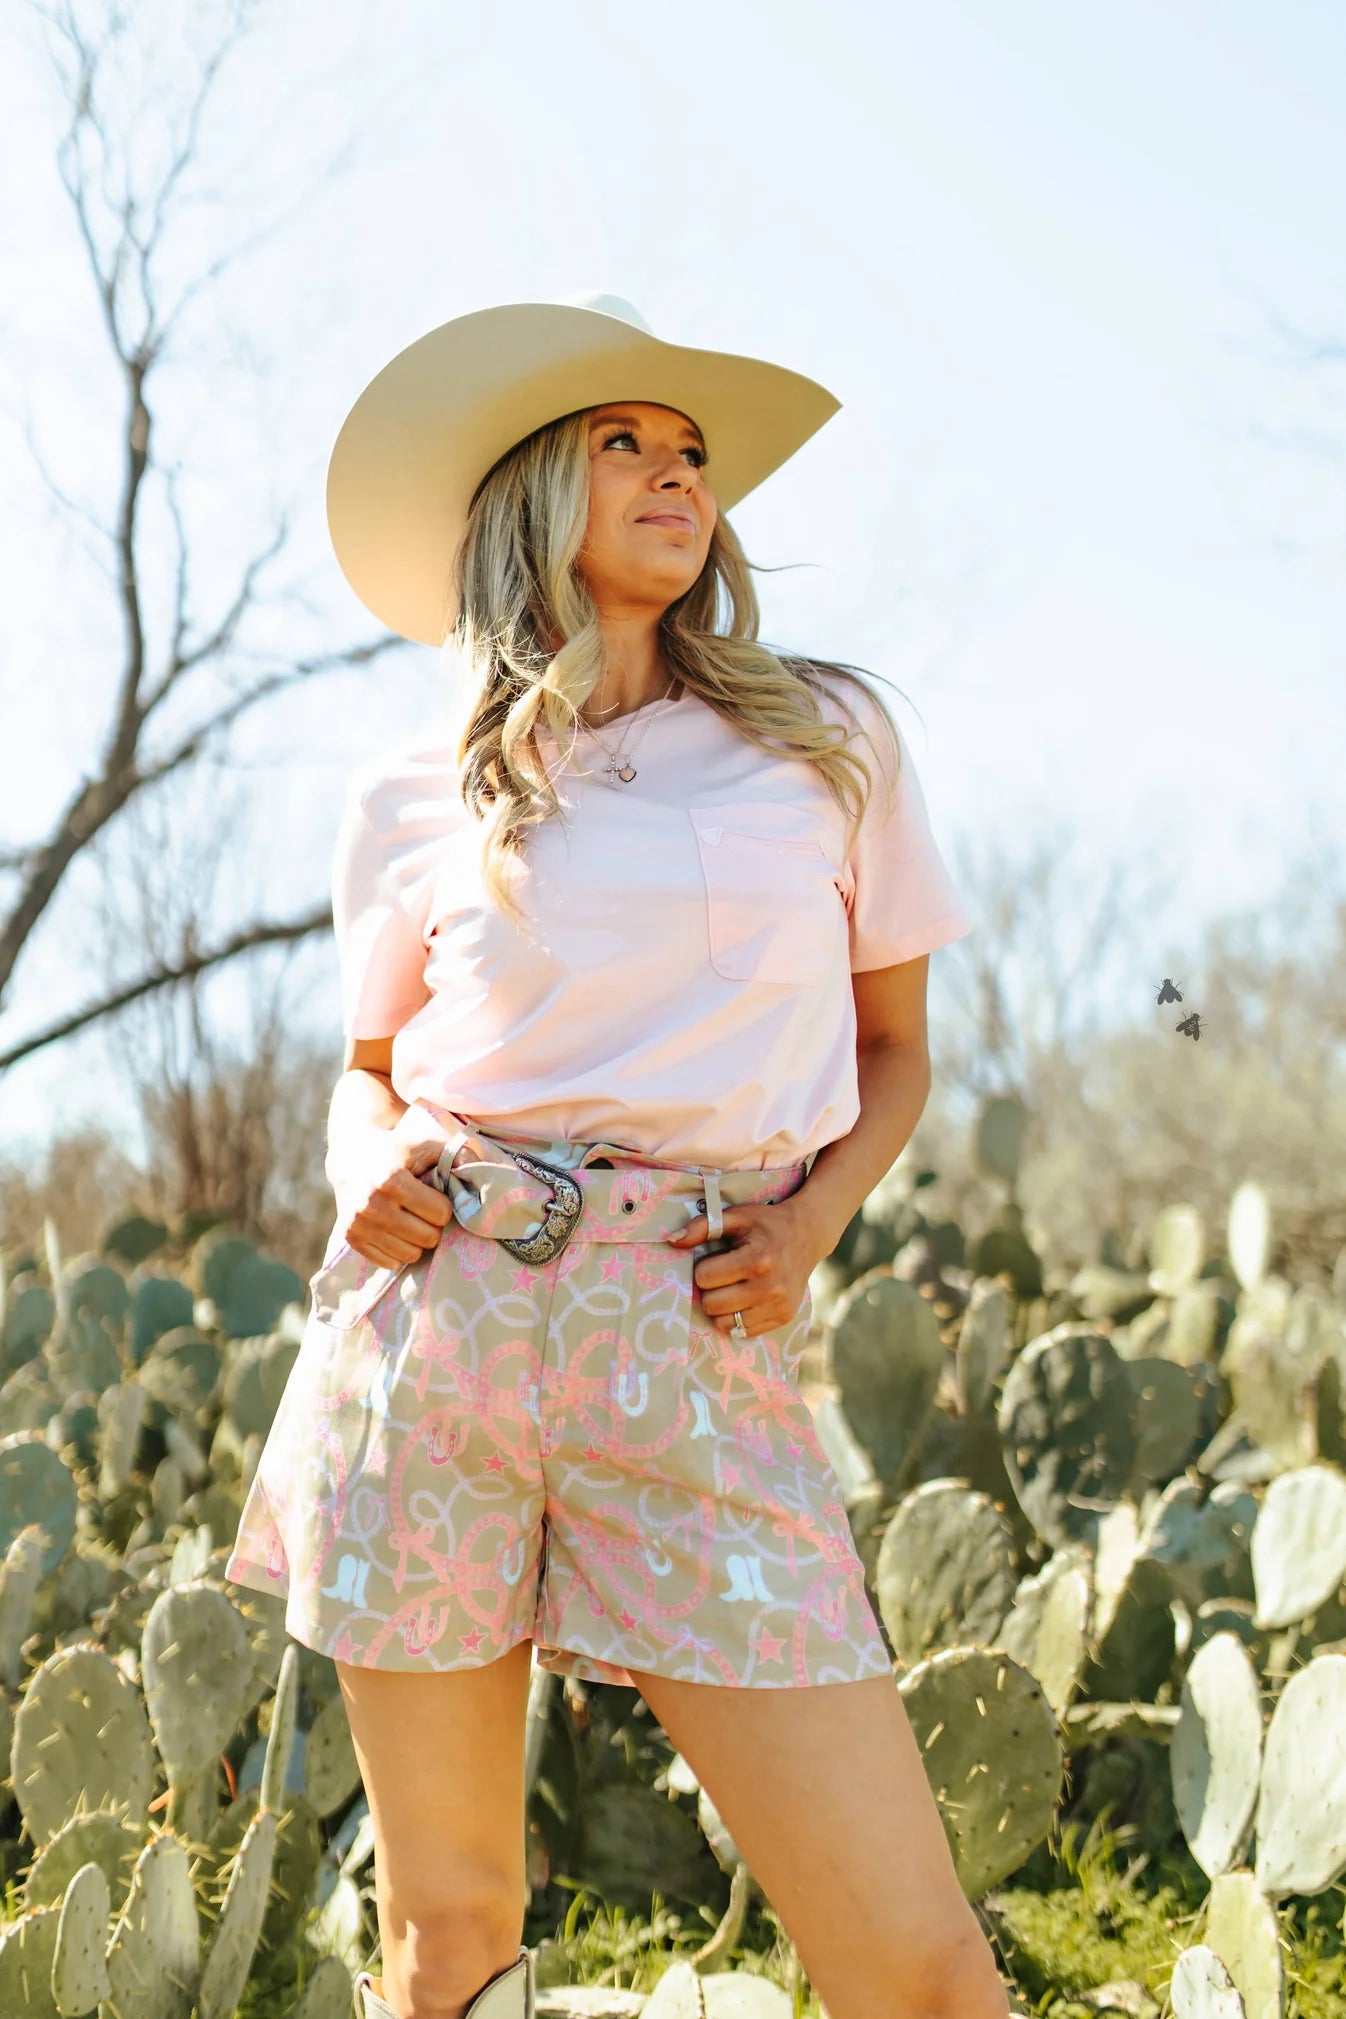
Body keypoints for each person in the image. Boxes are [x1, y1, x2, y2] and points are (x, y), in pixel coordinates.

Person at [224, 293, 1007, 2019]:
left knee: (919, 1962)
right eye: (624, 446)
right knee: (447, 1938)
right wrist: (362, 1169)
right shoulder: (414, 790)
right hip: (432, 1347)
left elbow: (893, 1057)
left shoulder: (825, 738)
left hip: (693, 1333)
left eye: (693, 456)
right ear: (524, 496)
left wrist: (808, 1234)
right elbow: (369, 1079)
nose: (678, 477)